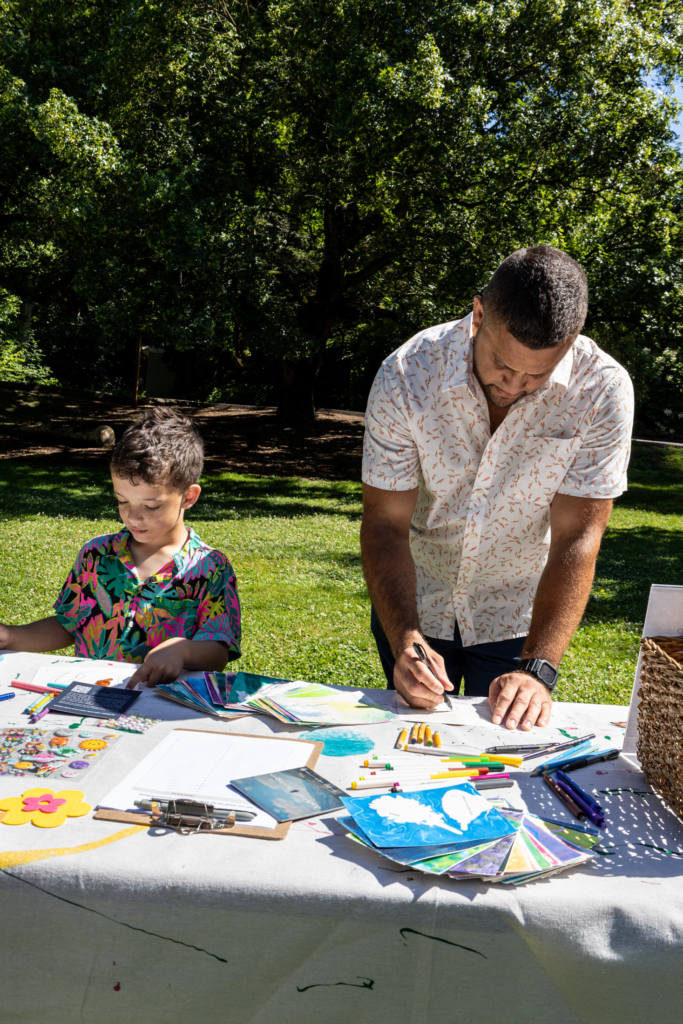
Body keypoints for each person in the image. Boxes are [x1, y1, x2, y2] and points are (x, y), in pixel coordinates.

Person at [361, 245, 633, 730]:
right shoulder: (406, 373)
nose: (514, 384)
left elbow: (578, 537)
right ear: (479, 312)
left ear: (571, 342)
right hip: (416, 600)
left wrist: (538, 668)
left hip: (518, 615)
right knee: (410, 744)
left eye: (538, 374)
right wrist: (407, 638)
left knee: (503, 754)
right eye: (501, 364)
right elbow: (384, 521)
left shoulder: (603, 391)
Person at [0, 408, 241, 688]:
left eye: (151, 506)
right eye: (122, 501)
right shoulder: (96, 554)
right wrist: (9, 636)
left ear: (188, 496)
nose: (133, 517)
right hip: (93, 701)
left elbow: (218, 652)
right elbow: (68, 624)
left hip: (161, 705)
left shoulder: (210, 567)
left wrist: (182, 649)